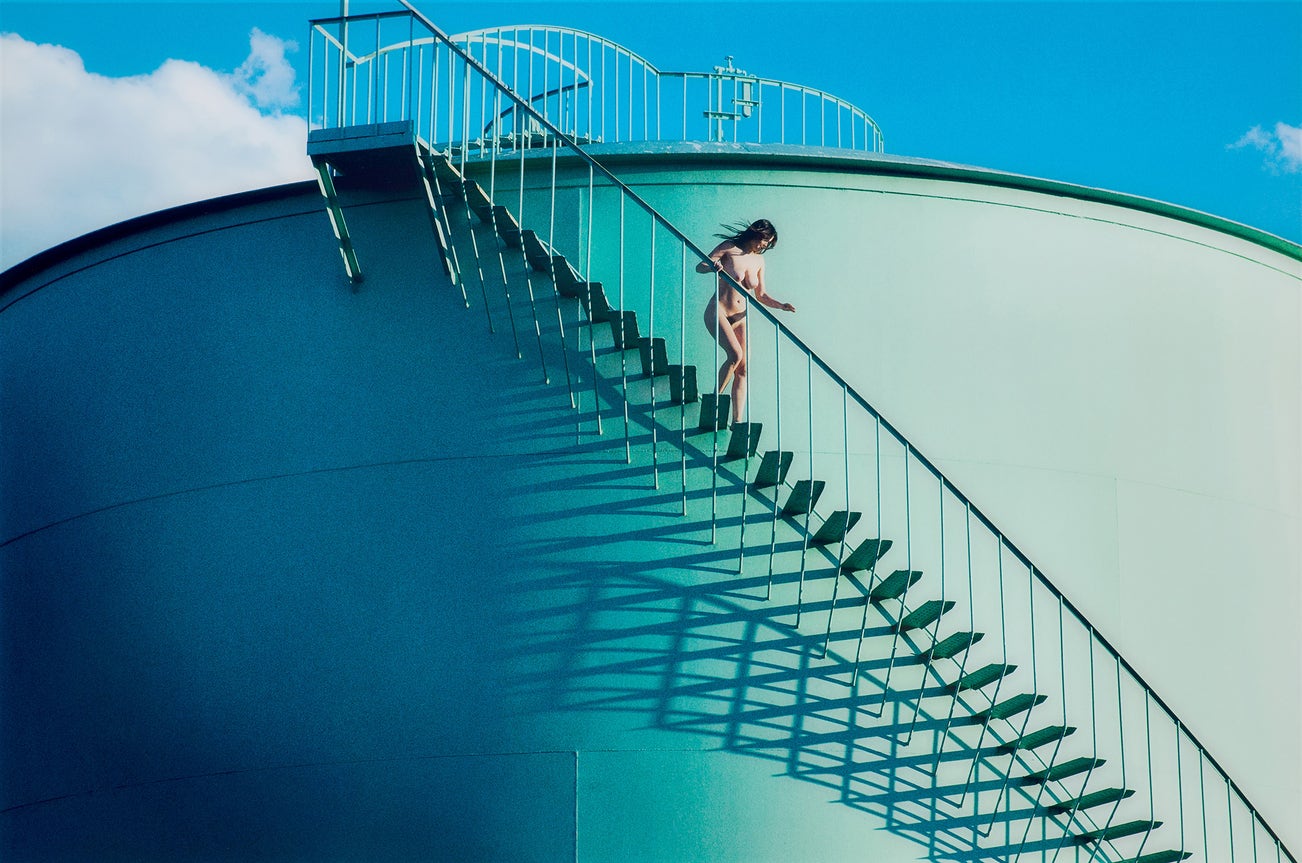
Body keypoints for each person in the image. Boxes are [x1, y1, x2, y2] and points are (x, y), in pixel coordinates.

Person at [695, 219, 795, 424]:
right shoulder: (729, 247)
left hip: (740, 317)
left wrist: (781, 305)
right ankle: (714, 400)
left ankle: (737, 421)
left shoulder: (759, 261)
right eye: (766, 240)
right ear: (758, 234)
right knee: (735, 355)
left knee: (743, 368)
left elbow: (761, 295)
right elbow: (700, 266)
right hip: (719, 310)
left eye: (769, 244)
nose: (765, 245)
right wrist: (713, 267)